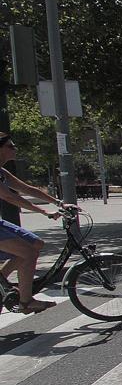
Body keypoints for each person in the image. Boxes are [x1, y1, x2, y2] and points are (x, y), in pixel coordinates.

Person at [0, 133, 65, 313]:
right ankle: (26, 302)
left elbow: (27, 189)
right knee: (28, 253)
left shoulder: (2, 171)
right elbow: (8, 196)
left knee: (36, 244)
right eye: (11, 146)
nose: (15, 149)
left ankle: (1, 282)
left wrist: (59, 203)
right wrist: (44, 211)